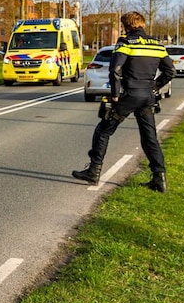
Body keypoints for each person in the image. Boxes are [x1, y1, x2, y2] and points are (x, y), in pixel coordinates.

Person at [72, 11, 174, 192]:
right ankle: (160, 179)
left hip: (129, 95)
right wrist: (155, 88)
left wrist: (116, 94)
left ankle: (94, 171)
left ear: (126, 26)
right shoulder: (157, 44)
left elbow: (115, 70)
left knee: (103, 131)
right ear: (142, 24)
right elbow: (170, 72)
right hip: (148, 96)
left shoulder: (125, 42)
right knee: (150, 137)